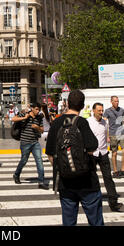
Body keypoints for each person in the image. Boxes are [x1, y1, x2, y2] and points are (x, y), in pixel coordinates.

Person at [46, 89, 104, 226]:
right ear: (83, 105)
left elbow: (50, 154)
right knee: (95, 220)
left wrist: (64, 165)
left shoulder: (56, 123)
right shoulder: (82, 122)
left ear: (66, 103)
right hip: (87, 181)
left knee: (69, 221)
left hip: (65, 183)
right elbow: (93, 147)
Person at [88, 102, 123, 212]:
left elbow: (106, 134)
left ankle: (113, 202)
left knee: (108, 178)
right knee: (91, 178)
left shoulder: (105, 122)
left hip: (103, 153)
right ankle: (91, 200)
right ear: (93, 111)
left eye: (102, 110)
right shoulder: (88, 122)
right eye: (99, 110)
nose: (101, 112)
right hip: (92, 154)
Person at [12, 102, 48, 190]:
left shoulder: (39, 117)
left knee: (39, 161)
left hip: (35, 142)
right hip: (25, 142)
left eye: (39, 109)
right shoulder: (24, 114)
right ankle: (16, 174)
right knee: (24, 160)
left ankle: (41, 181)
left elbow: (42, 130)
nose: (38, 111)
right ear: (32, 108)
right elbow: (13, 119)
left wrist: (37, 128)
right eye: (36, 109)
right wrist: (24, 117)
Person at [103, 96, 124, 178]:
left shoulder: (122, 110)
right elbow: (104, 123)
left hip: (121, 133)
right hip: (112, 134)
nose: (117, 103)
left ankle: (122, 169)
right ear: (111, 102)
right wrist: (107, 136)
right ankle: (115, 171)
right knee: (114, 153)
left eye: (118, 101)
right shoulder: (107, 111)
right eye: (115, 101)